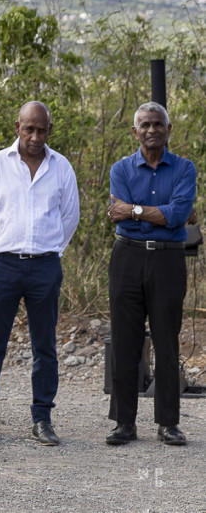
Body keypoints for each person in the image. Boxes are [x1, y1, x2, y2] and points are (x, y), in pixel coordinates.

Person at [0, 101, 79, 446]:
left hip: (45, 266)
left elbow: (70, 217)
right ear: (18, 127)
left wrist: (53, 252)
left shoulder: (61, 168)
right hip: (3, 265)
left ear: (49, 130)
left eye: (41, 129)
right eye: (28, 128)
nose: (34, 136)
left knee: (44, 346)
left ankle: (42, 418)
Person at [105, 102, 196, 446]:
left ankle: (168, 423)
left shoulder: (185, 169)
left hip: (168, 261)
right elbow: (118, 214)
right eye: (145, 124)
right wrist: (149, 213)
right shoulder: (121, 169)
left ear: (168, 130)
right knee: (125, 342)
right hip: (127, 258)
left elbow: (179, 214)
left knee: (166, 343)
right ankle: (124, 423)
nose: (152, 130)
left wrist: (136, 210)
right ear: (135, 131)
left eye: (158, 124)